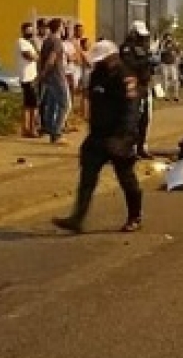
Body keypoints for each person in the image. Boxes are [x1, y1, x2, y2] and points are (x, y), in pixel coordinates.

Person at [52, 40, 143, 234]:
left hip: (120, 136)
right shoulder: (97, 75)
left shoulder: (125, 77)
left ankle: (135, 217)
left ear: (113, 58)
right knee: (87, 179)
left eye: (103, 60)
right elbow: (92, 101)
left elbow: (131, 110)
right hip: (98, 135)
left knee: (127, 179)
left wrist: (125, 137)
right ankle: (77, 219)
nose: (100, 64)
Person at [120, 20, 157, 159]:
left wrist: (151, 64)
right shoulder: (127, 48)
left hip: (145, 85)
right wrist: (147, 60)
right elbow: (130, 65)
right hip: (133, 86)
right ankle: (130, 148)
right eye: (139, 35)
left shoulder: (144, 48)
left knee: (146, 118)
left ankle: (141, 146)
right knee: (132, 119)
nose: (142, 38)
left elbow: (147, 66)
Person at [38, 17, 70, 145]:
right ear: (59, 28)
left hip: (49, 77)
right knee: (65, 104)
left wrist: (42, 74)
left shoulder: (46, 40)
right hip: (56, 75)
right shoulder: (56, 41)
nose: (64, 29)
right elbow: (51, 59)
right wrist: (44, 72)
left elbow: (41, 58)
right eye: (63, 26)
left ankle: (50, 129)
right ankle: (57, 133)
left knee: (52, 104)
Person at [16, 21, 40, 138]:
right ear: (23, 31)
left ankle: (27, 128)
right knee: (33, 104)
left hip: (31, 76)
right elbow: (29, 56)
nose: (30, 32)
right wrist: (36, 56)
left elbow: (35, 55)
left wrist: (35, 54)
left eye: (31, 30)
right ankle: (30, 129)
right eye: (28, 30)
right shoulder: (22, 42)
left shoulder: (30, 43)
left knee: (29, 104)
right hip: (27, 77)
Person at [158, 33, 181, 102]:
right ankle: (166, 96)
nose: (169, 39)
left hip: (172, 64)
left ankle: (176, 95)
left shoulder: (174, 44)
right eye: (167, 37)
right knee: (165, 80)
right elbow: (160, 51)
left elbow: (179, 52)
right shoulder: (162, 44)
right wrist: (163, 43)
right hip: (164, 64)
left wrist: (177, 59)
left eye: (170, 37)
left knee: (175, 79)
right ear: (165, 38)